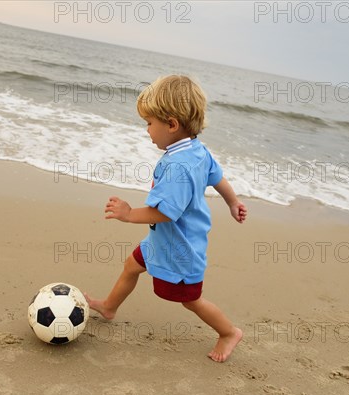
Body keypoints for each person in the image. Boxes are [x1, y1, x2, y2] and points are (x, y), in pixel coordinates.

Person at [85, 75, 247, 362]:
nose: (147, 130)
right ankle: (109, 306)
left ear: (171, 124)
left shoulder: (177, 167)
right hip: (163, 240)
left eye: (149, 123)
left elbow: (163, 212)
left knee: (190, 301)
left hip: (180, 250)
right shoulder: (197, 150)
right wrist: (233, 202)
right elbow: (218, 177)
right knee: (131, 265)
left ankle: (228, 332)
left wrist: (128, 213)